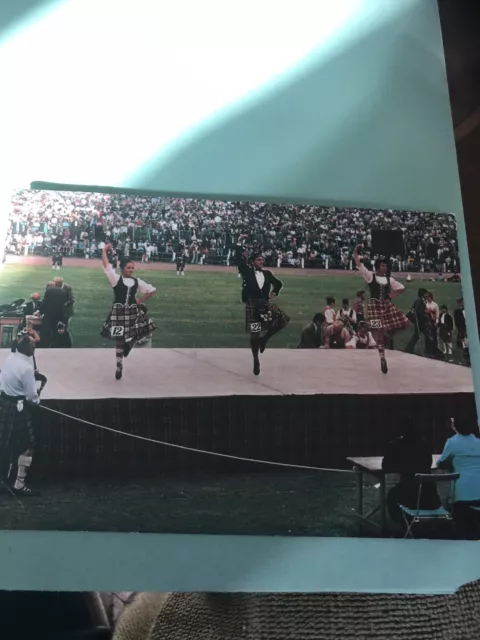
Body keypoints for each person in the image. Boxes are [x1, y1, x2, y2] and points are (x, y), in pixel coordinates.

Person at [235, 235, 290, 376]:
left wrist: (274, 293)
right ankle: (256, 360)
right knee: (254, 335)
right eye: (259, 260)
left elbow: (279, 283)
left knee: (283, 320)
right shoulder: (246, 271)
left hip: (265, 305)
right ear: (253, 262)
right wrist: (240, 242)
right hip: (252, 306)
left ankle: (264, 339)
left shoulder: (267, 273)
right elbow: (239, 258)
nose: (262, 261)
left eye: (262, 260)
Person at [100, 244, 157, 380]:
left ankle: (128, 345)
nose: (131, 270)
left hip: (132, 312)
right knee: (119, 339)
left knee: (142, 331)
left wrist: (139, 301)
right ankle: (119, 365)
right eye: (128, 268)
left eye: (132, 268)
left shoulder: (137, 281)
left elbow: (151, 290)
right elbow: (107, 266)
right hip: (119, 314)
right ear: (122, 268)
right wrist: (103, 251)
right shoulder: (116, 279)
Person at [353, 245, 410, 374]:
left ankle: (388, 334)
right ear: (378, 267)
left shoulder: (389, 280)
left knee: (404, 322)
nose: (385, 268)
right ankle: (382, 357)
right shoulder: (370, 276)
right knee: (377, 332)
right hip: (374, 307)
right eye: (383, 266)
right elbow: (359, 264)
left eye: (386, 266)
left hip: (386, 306)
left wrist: (391, 295)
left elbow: (401, 288)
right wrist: (356, 252)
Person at [0, 332, 41, 496]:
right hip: (17, 408)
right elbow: (32, 397)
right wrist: (37, 402)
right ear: (30, 350)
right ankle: (19, 485)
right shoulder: (26, 368)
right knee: (27, 445)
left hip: (4, 404)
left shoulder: (10, 358)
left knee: (3, 444)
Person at [382, 416, 441, 525]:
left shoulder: (396, 444)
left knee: (392, 495)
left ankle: (402, 524)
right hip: (430, 496)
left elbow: (385, 466)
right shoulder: (425, 443)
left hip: (409, 495)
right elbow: (429, 463)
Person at [437, 417, 480, 539]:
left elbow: (441, 463)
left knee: (461, 526)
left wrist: (453, 464)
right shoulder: (478, 442)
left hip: (464, 494)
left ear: (454, 426)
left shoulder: (453, 442)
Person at [405, 288, 444, 359]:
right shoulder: (420, 301)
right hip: (421, 323)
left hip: (420, 322)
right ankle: (434, 352)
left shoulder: (419, 301)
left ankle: (409, 349)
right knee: (428, 337)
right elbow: (419, 312)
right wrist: (427, 318)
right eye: (426, 294)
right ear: (423, 294)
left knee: (418, 336)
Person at [41, 277, 73, 347]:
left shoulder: (66, 288)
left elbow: (45, 302)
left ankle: (56, 343)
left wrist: (41, 312)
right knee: (59, 328)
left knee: (58, 329)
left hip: (59, 313)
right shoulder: (62, 291)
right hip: (60, 313)